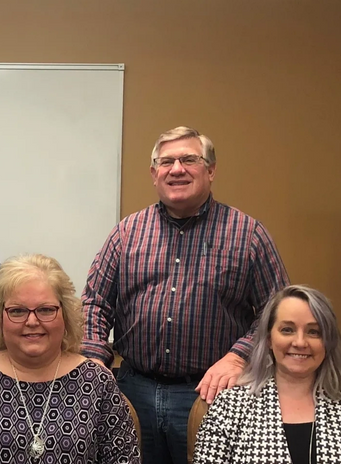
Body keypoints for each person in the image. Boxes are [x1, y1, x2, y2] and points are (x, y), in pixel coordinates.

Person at [81, 126, 290, 464]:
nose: (176, 169)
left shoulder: (248, 234)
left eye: (189, 159)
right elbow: (95, 301)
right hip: (132, 391)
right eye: (166, 162)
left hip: (211, 394)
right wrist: (93, 358)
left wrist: (239, 356)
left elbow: (280, 312)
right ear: (154, 174)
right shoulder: (126, 232)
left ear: (210, 170)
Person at [0, 254, 141, 463]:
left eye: (45, 310)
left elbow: (124, 460)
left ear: (66, 314)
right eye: (17, 311)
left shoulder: (98, 382)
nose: (32, 321)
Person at [193, 285, 341, 463]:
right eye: (287, 329)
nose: (300, 342)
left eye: (313, 332)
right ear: (269, 338)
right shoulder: (229, 408)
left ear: (327, 342)